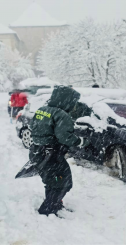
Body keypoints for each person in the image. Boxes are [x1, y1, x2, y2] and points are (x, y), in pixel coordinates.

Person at [29, 86, 90, 216]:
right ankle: (47, 210)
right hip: (52, 155)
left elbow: (32, 127)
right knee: (63, 183)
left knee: (51, 181)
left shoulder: (42, 110)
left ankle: (55, 204)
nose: (73, 105)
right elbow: (65, 137)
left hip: (38, 152)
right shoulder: (62, 115)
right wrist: (80, 141)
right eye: (73, 102)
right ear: (66, 100)